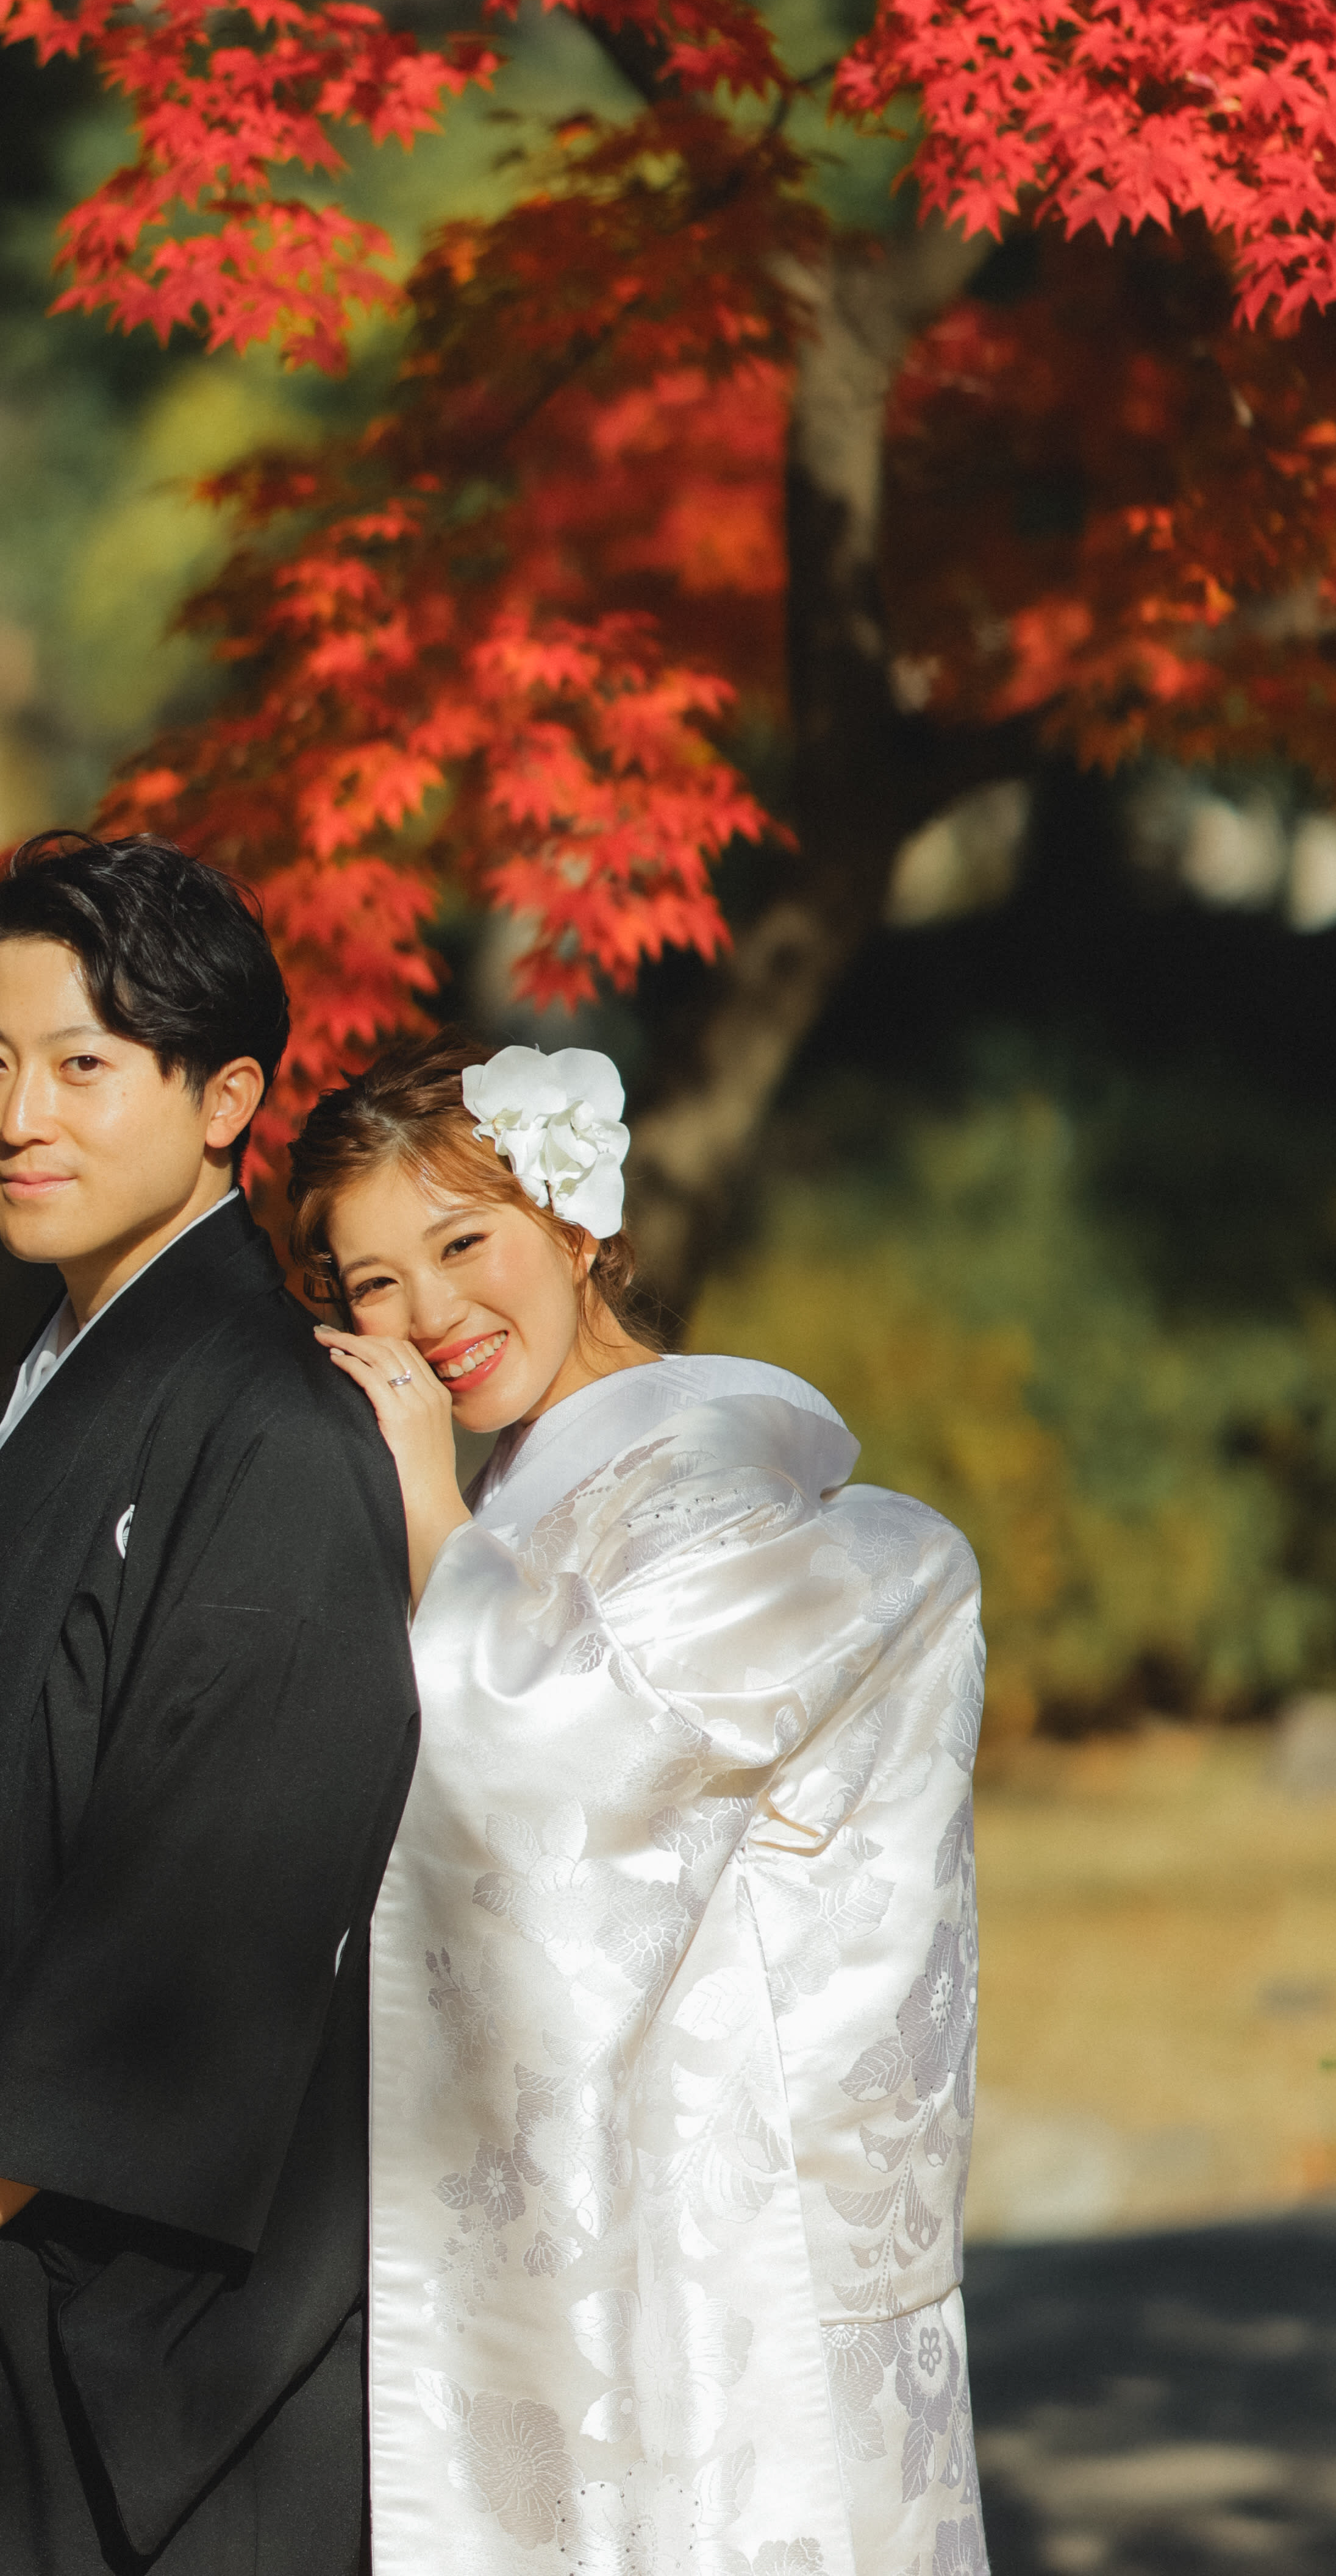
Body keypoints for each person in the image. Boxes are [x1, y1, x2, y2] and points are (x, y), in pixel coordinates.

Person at [0, 833, 421, 2576]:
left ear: (225, 1101)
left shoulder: (276, 1427)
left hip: (137, 2296)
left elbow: (211, 1903)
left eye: (81, 1065)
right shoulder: (43, 1385)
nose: (18, 1118)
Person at [295, 1032, 988, 2576]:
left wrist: (426, 1505)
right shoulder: (535, 1489)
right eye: (375, 1283)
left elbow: (554, 1765)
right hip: (624, 2198)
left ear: (574, 1222)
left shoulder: (706, 1480)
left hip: (721, 2229)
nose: (431, 1317)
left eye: (462, 1243)